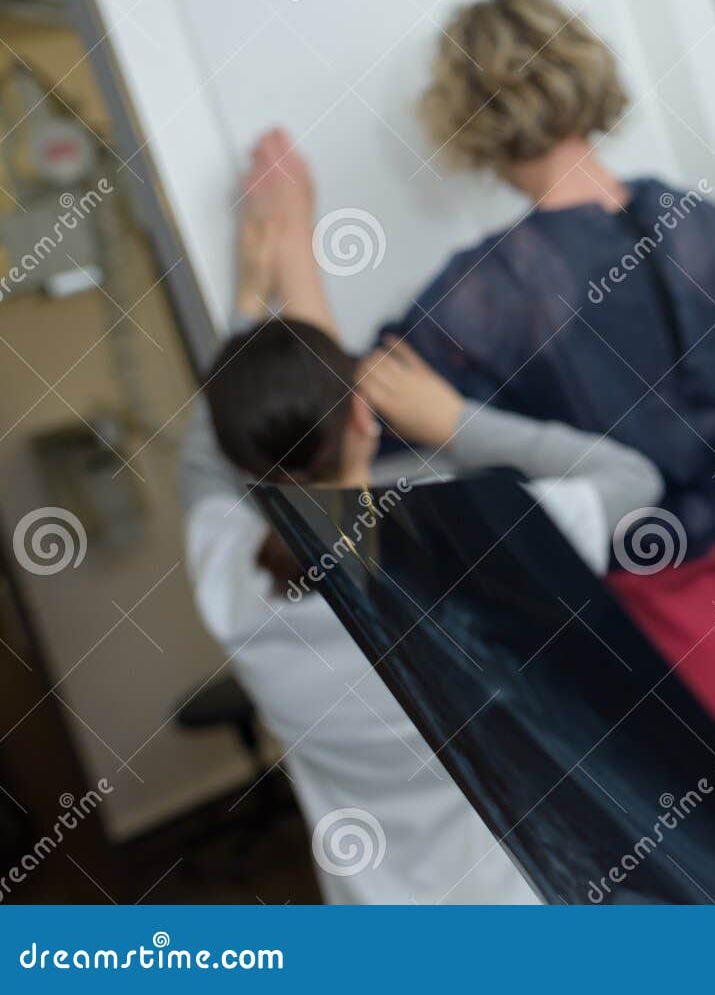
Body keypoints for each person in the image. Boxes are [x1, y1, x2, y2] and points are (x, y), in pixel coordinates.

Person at [256, 0, 715, 857]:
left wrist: (290, 251)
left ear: (470, 115)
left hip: (658, 653)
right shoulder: (695, 224)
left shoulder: (490, 296)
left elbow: (340, 425)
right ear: (582, 75)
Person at [180, 135, 662, 902]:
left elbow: (207, 462)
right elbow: (630, 478)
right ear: (367, 420)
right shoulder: (478, 556)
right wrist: (453, 420)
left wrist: (257, 284)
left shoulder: (233, 585)